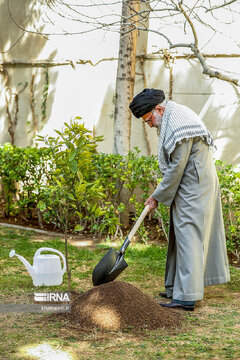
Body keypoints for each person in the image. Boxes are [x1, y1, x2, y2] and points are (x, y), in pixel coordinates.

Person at [129, 88, 230, 311]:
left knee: (189, 236)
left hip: (195, 184)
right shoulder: (173, 116)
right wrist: (159, 194)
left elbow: (176, 167)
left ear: (159, 109)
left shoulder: (178, 124)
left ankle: (186, 296)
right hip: (190, 181)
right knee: (180, 234)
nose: (150, 125)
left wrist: (156, 196)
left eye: (148, 120)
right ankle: (176, 286)